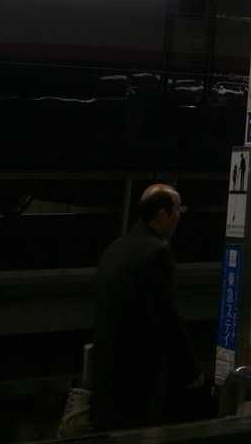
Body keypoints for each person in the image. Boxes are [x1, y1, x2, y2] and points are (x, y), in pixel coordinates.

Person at [91, 183, 205, 431]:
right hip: (137, 376)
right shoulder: (156, 254)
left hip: (107, 372)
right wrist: (190, 371)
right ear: (162, 214)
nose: (179, 216)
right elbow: (165, 318)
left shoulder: (116, 247)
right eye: (177, 210)